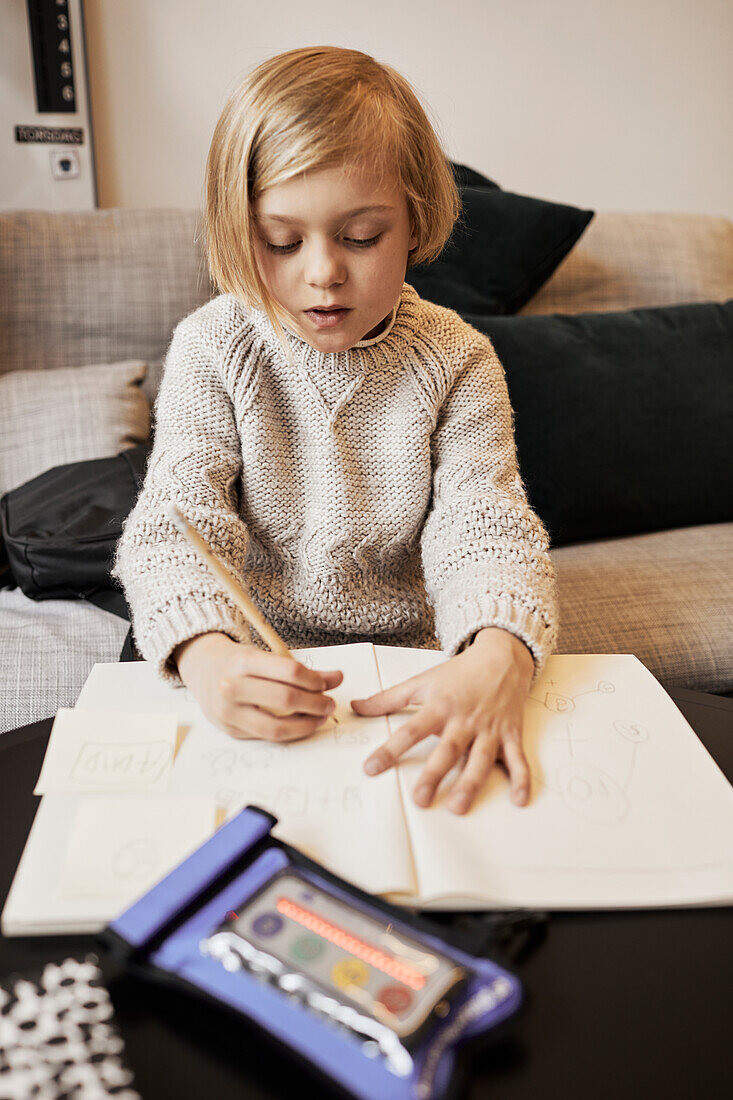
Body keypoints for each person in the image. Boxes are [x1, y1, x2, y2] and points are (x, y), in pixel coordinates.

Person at [113, 45, 559, 817]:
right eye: (281, 241)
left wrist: (498, 655)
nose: (321, 272)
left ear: (415, 220)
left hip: (408, 667)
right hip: (250, 664)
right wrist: (206, 657)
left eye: (360, 237)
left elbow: (483, 524)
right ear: (234, 225)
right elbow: (174, 524)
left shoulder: (458, 359)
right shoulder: (212, 346)